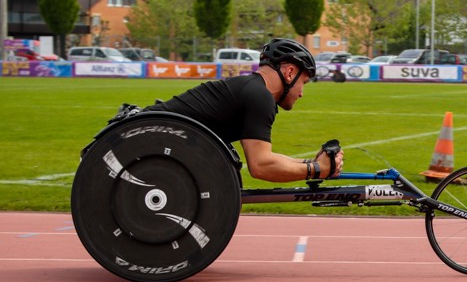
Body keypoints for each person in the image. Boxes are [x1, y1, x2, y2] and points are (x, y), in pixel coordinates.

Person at [144, 38, 343, 182]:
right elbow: (261, 166)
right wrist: (317, 170)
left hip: (148, 138)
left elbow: (267, 157)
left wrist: (311, 163)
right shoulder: (260, 96)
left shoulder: (251, 89)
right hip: (143, 142)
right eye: (304, 82)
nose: (301, 93)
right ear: (290, 72)